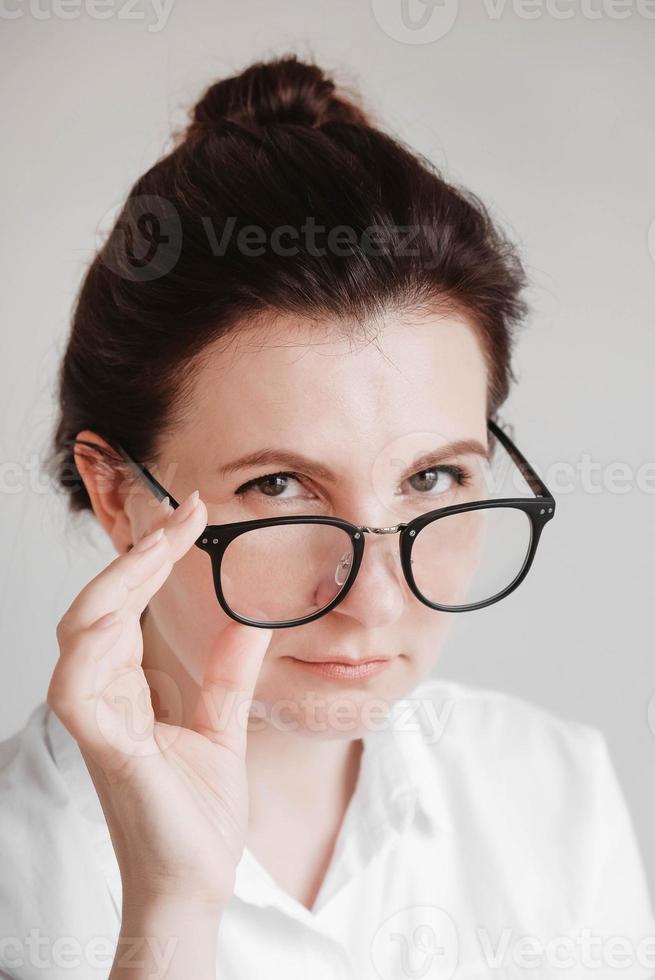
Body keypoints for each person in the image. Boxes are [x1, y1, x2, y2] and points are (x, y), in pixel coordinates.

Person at [1, 53, 653, 980]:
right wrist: (172, 907)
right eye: (279, 488)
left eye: (431, 479)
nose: (376, 604)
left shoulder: (550, 791)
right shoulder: (18, 875)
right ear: (117, 493)